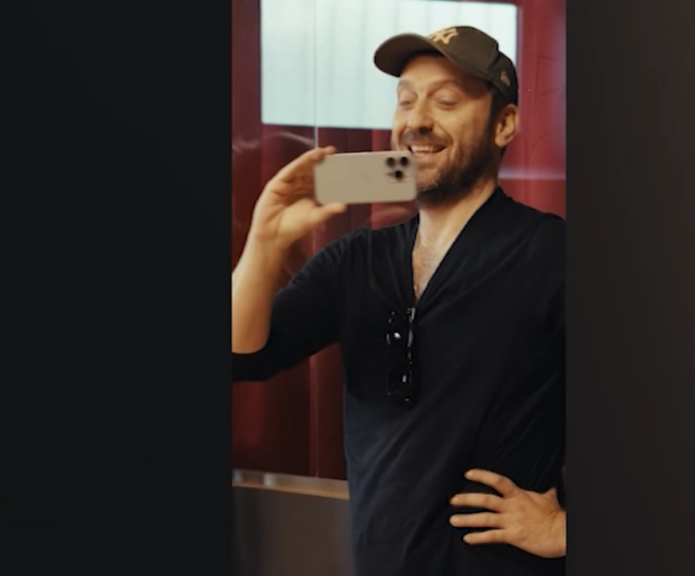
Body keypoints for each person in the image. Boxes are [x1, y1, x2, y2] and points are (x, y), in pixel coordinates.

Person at [232, 26, 565, 576]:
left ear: (504, 124)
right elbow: (243, 356)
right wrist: (265, 241)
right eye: (406, 100)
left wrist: (565, 527)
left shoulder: (550, 253)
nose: (417, 120)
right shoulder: (355, 261)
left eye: (446, 101)